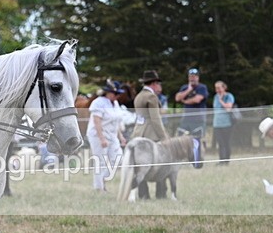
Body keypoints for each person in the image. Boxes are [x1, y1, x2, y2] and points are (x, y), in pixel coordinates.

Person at [132, 70, 170, 199]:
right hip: (151, 134)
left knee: (140, 166)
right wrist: (164, 137)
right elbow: (155, 119)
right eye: (158, 83)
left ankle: (143, 194)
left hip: (138, 133)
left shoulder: (139, 96)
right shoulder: (151, 97)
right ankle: (161, 193)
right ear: (153, 83)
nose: (160, 86)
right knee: (163, 162)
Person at [86, 82, 127, 192]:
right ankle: (99, 188)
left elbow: (116, 122)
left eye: (118, 93)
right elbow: (97, 122)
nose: (117, 95)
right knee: (101, 161)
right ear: (108, 93)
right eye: (115, 93)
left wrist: (120, 136)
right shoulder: (98, 103)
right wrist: (101, 138)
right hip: (97, 135)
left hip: (112, 135)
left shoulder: (115, 103)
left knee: (119, 159)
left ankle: (102, 179)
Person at [174, 67, 209, 138]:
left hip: (198, 119)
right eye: (190, 76)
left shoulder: (202, 87)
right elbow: (177, 98)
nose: (192, 78)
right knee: (181, 137)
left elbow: (197, 100)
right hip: (186, 118)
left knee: (197, 139)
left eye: (194, 76)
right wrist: (188, 90)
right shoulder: (185, 87)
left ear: (198, 77)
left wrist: (185, 101)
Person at [212, 81, 235, 164]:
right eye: (216, 88)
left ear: (224, 88)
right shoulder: (215, 97)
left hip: (227, 124)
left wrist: (221, 100)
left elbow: (228, 108)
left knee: (226, 142)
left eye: (219, 88)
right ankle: (221, 160)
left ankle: (227, 160)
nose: (217, 90)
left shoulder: (229, 96)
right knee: (220, 143)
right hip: (217, 124)